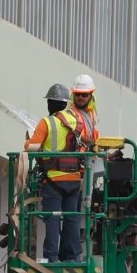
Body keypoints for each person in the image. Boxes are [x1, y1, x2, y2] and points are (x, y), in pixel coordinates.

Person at [25, 83, 92, 263]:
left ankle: (52, 257)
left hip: (53, 180)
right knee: (72, 218)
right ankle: (74, 256)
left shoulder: (46, 122)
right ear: (65, 103)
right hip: (74, 179)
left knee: (53, 219)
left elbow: (31, 148)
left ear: (49, 104)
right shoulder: (76, 121)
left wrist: (28, 141)